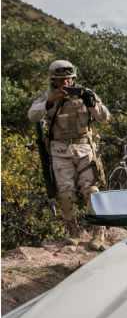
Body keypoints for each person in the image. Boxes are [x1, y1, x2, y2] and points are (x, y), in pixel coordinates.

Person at [28, 60, 110, 251]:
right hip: (59, 150)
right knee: (65, 192)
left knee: (91, 190)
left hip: (84, 147)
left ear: (74, 78)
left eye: (69, 79)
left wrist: (92, 105)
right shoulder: (46, 96)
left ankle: (98, 231)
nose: (66, 83)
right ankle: (74, 231)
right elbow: (32, 116)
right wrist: (50, 102)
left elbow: (104, 117)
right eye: (61, 79)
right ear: (53, 80)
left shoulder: (87, 93)